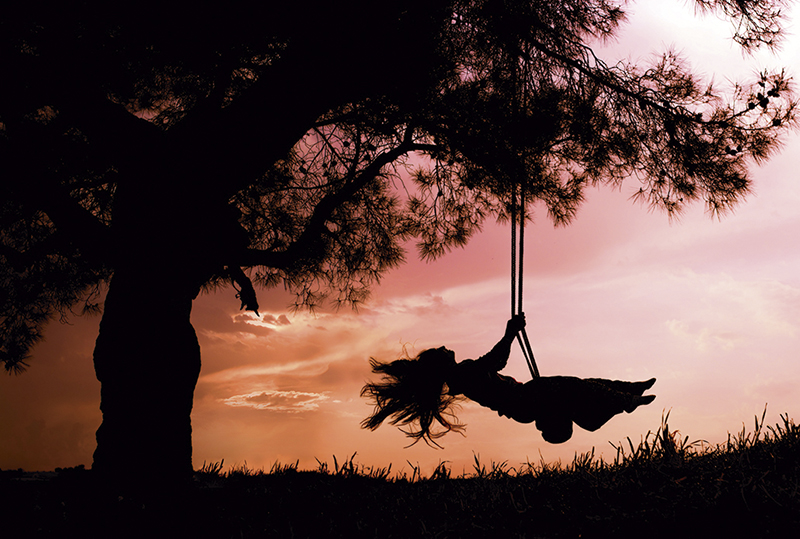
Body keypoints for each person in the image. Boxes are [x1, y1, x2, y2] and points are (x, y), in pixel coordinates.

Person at [361, 314, 655, 445]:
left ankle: (627, 392)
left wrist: (511, 332)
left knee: (575, 386)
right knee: (572, 386)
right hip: (523, 402)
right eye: (438, 351)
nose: (442, 347)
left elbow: (492, 364)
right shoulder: (461, 374)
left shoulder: (460, 375)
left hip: (523, 402)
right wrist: (510, 332)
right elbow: (495, 361)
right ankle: (624, 399)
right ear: (439, 363)